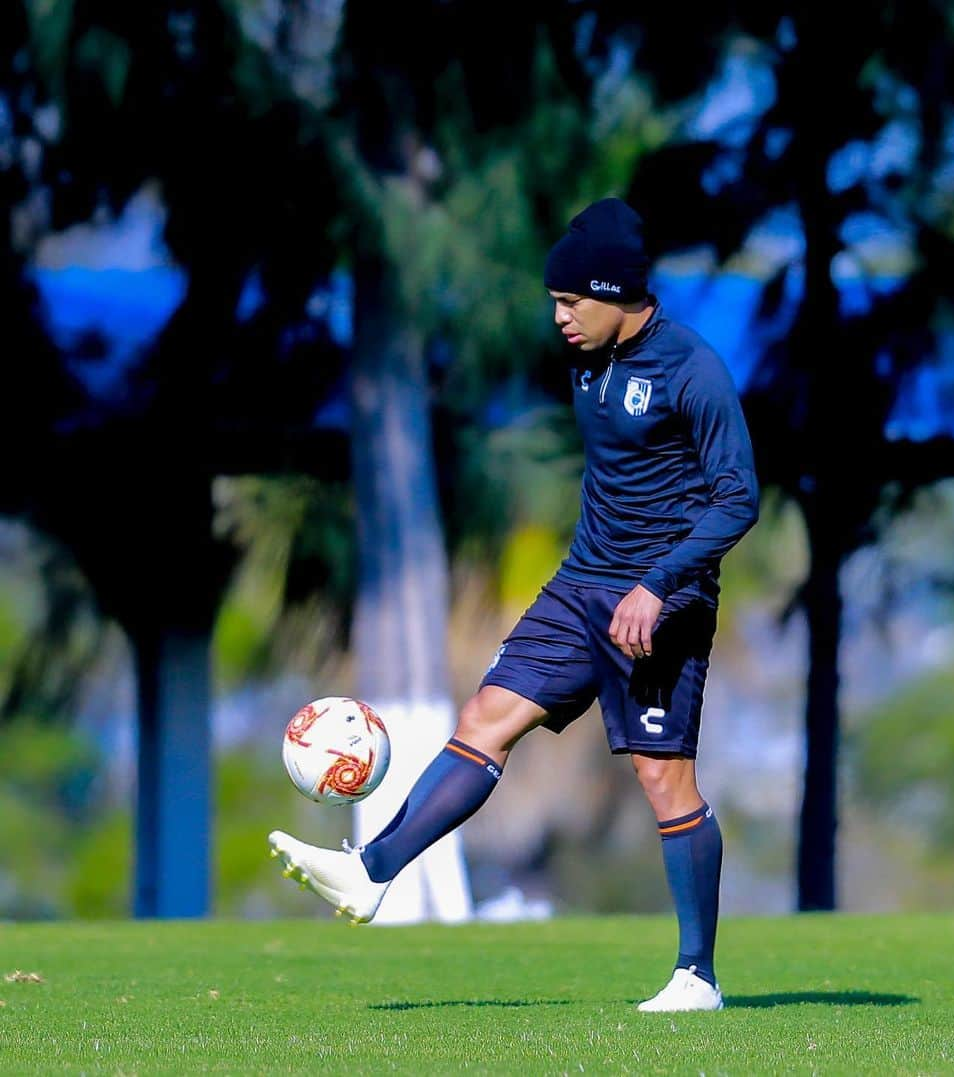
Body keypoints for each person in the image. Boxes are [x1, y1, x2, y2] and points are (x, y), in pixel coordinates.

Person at [269, 197, 759, 1012]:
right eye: (555, 303)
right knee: (486, 716)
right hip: (579, 587)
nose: (560, 318)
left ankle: (696, 976)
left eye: (572, 302)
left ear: (619, 294)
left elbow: (737, 498)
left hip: (661, 604)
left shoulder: (692, 370)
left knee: (664, 779)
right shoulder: (588, 358)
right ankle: (370, 871)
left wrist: (659, 583)